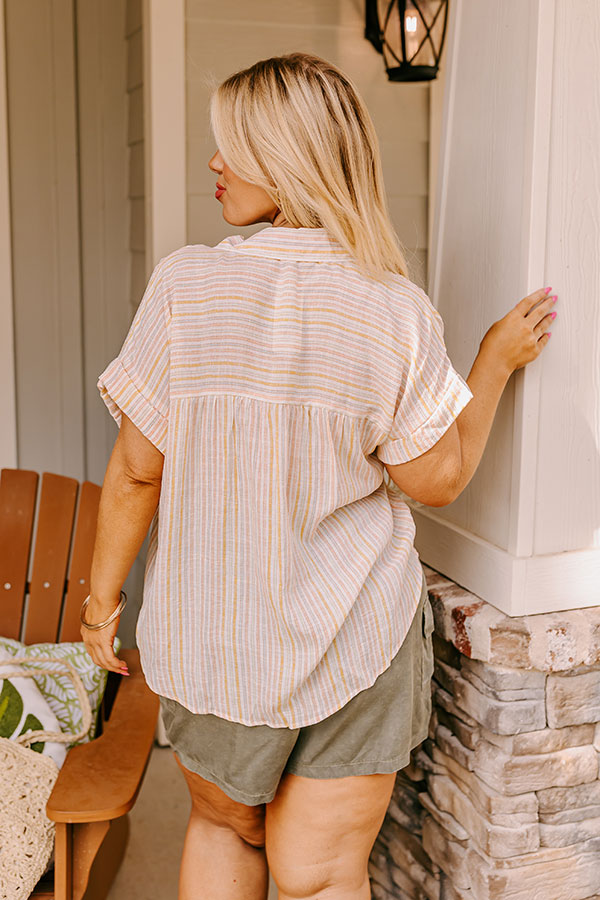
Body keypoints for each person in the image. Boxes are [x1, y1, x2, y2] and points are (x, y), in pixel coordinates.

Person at [81, 52, 558, 900]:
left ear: (295, 158)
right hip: (355, 638)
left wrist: (101, 603)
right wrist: (490, 365)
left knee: (227, 831)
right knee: (323, 874)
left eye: (234, 145)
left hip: (212, 643)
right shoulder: (392, 308)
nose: (214, 162)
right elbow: (438, 477)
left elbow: (133, 474)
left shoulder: (184, 288)